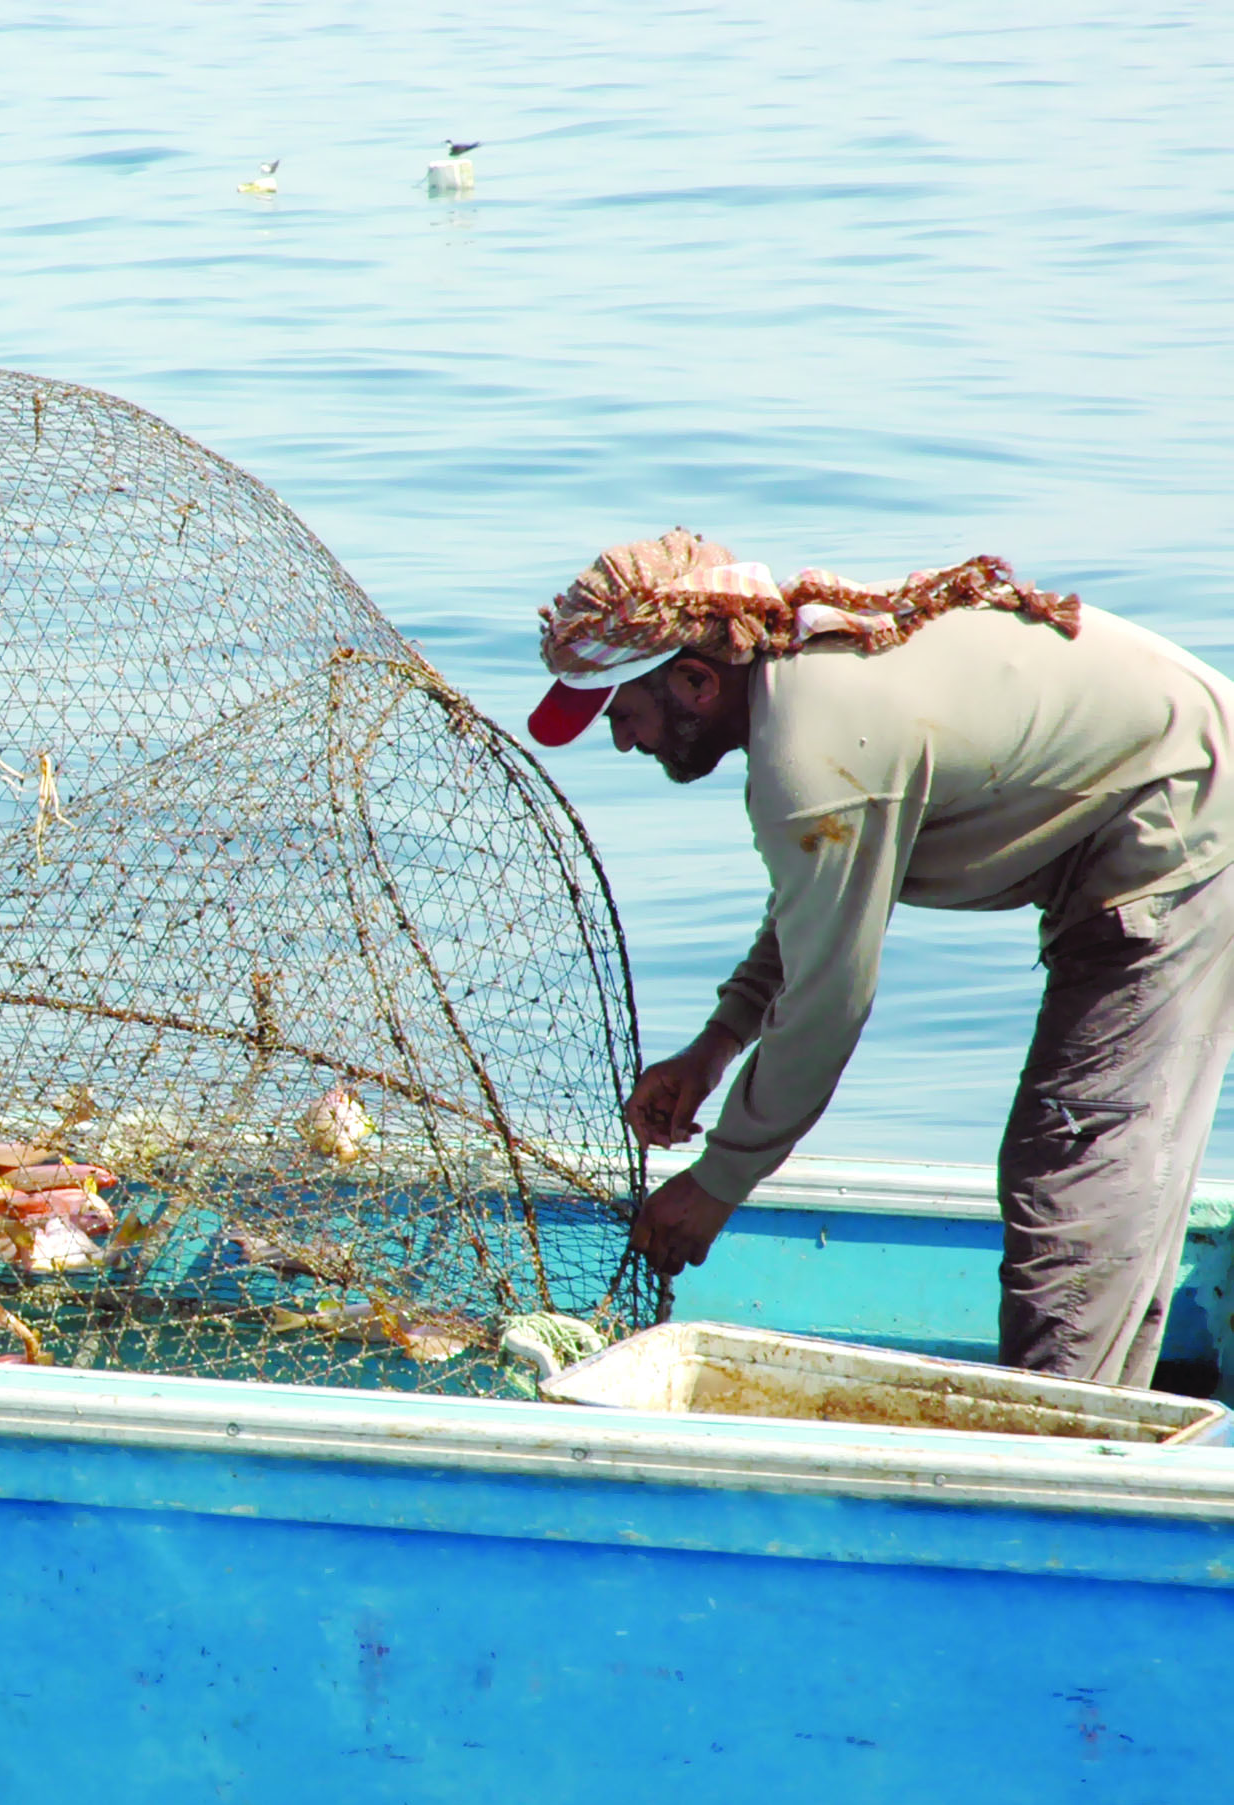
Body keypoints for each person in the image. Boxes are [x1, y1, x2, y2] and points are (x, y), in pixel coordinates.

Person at [526, 528, 1234, 1388]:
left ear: (695, 681)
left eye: (621, 715)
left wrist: (717, 1181)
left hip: (1181, 822)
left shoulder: (808, 757)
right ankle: (1101, 1413)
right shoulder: (800, 681)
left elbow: (829, 1006)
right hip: (1167, 788)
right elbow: (817, 912)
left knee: (1073, 1174)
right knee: (1098, 1170)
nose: (623, 744)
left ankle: (1062, 1462)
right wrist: (714, 1047)